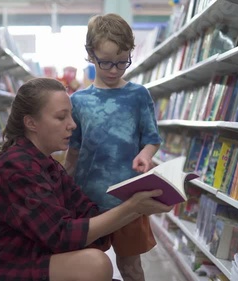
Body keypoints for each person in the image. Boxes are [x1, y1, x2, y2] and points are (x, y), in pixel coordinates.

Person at [0, 78, 172, 281]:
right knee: (94, 264)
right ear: (31, 123)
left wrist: (140, 206)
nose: (73, 125)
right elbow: (62, 236)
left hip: (32, 258)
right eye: (61, 117)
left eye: (71, 115)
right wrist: (132, 207)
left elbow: (88, 213)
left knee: (94, 261)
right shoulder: (16, 167)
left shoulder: (49, 166)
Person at [64, 13, 163, 281]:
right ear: (90, 54)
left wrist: (145, 155)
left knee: (131, 268)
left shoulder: (138, 95)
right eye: (105, 62)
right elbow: (73, 153)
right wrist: (61, 189)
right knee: (85, 267)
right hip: (87, 202)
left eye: (122, 62)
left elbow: (152, 139)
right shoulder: (78, 101)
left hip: (129, 202)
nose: (114, 70)